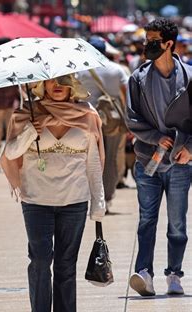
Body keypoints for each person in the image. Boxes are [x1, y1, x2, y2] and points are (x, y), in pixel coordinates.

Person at [0, 74, 106, 312]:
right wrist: (29, 132)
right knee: (39, 262)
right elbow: (10, 153)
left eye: (63, 81)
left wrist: (98, 204)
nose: (57, 86)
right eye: (52, 81)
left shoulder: (87, 116)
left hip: (75, 202)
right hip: (36, 201)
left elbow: (93, 163)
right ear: (42, 85)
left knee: (66, 266)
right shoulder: (27, 114)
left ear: (72, 87)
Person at [126, 18, 192, 297]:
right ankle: (145, 273)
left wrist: (189, 147)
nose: (147, 46)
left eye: (153, 41)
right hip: (147, 160)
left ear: (168, 44)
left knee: (177, 223)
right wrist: (155, 137)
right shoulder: (138, 79)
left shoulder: (190, 76)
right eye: (146, 40)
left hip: (180, 161)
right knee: (146, 220)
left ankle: (174, 274)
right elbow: (131, 118)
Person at [77, 36, 129, 212]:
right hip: (113, 120)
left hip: (87, 120)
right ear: (106, 51)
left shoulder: (80, 70)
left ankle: (90, 196)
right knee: (111, 158)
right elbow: (127, 95)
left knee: (89, 159)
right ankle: (106, 199)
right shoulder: (117, 70)